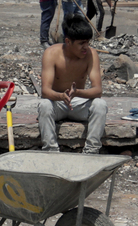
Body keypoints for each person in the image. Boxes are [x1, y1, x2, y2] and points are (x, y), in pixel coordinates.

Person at [38, 15, 107, 154]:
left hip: (78, 103)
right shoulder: (51, 53)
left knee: (100, 105)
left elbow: (97, 90)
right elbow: (45, 91)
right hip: (57, 103)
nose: (85, 47)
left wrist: (77, 93)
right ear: (68, 41)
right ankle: (51, 152)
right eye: (81, 43)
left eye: (88, 42)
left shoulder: (91, 55)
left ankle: (91, 151)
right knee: (44, 105)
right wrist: (61, 96)